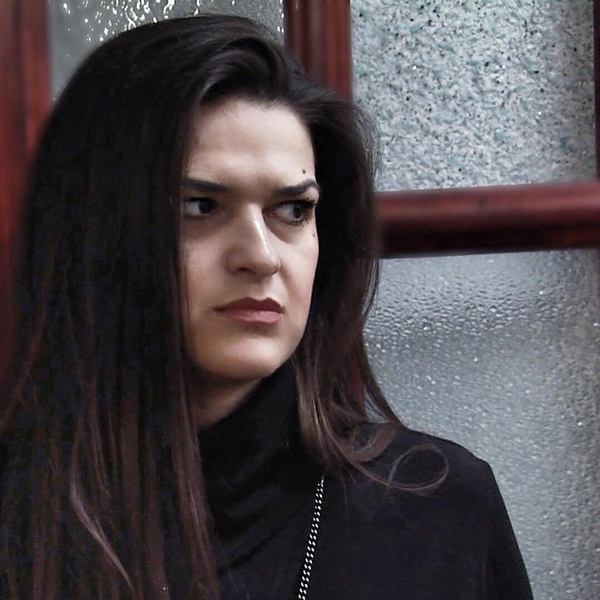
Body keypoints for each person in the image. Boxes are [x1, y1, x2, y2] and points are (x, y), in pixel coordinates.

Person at [0, 14, 533, 600]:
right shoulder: (23, 515)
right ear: (94, 232)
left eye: (292, 211)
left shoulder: (438, 511)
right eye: (200, 207)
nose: (260, 256)